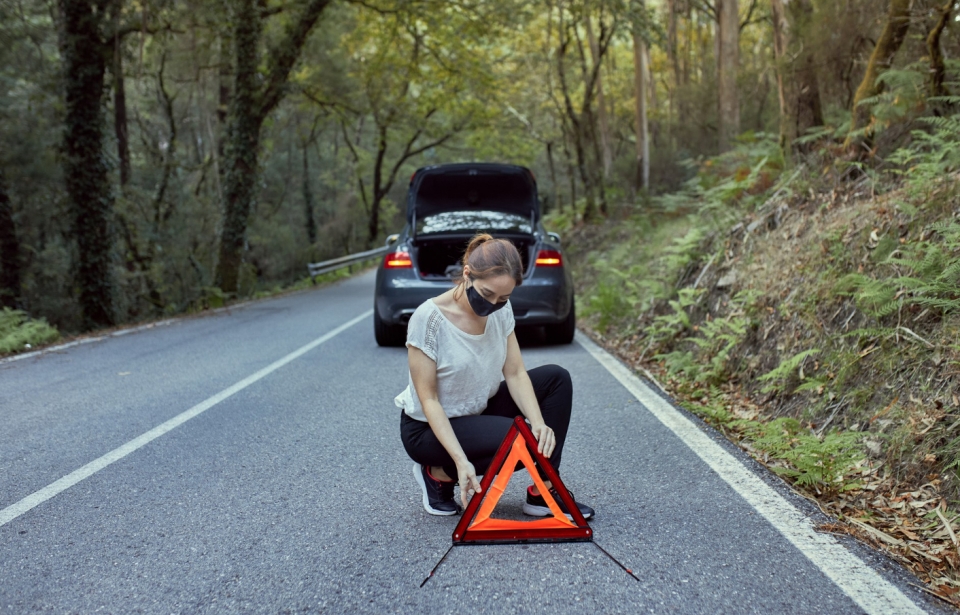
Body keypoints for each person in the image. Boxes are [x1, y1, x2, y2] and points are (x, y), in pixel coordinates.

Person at [396, 233, 594, 519]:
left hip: (476, 408)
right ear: (467, 274)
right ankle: (439, 473)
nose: (493, 304)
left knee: (556, 379)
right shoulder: (429, 320)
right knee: (520, 440)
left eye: (504, 298)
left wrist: (539, 422)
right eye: (487, 294)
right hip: (427, 428)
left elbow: (514, 372)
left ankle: (544, 490)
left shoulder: (501, 310)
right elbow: (429, 399)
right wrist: (461, 462)